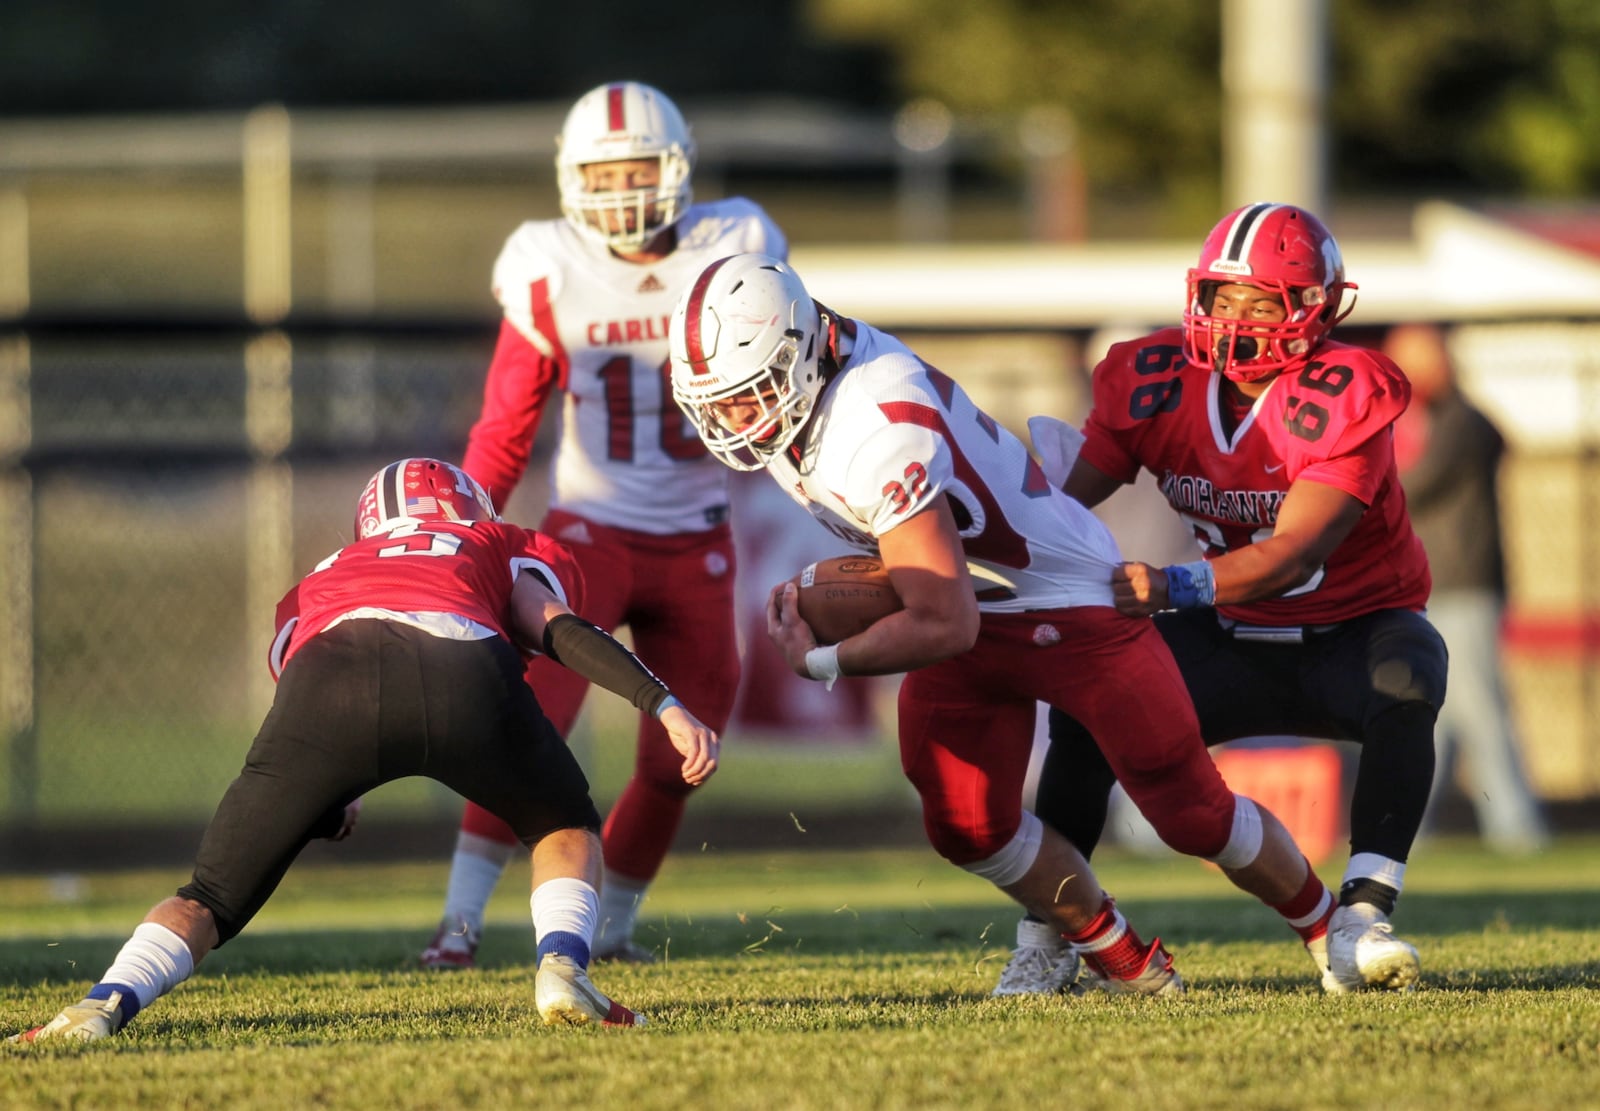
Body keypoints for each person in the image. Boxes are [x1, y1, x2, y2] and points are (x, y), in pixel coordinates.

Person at [669, 252, 1347, 997]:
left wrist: (821, 661)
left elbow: (944, 621)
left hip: (1068, 603)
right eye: (717, 403)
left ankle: (1329, 927)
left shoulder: (873, 423)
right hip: (971, 595)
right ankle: (1115, 953)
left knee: (1191, 813)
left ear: (801, 352)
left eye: (750, 394)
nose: (734, 421)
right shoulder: (814, 369)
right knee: (963, 820)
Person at [10, 458, 718, 1042]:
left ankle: (103, 1003)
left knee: (211, 895)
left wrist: (332, 796)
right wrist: (663, 703)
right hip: (461, 666)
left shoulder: (325, 573)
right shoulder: (487, 542)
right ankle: (563, 970)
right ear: (468, 507)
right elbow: (558, 627)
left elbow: (295, 690)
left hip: (327, 682)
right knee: (562, 825)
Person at [1011, 202, 1447, 996]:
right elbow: (1065, 507)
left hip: (1350, 631)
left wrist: (1172, 584)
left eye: (1262, 301)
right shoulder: (1154, 380)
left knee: (1410, 672)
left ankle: (1362, 915)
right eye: (1223, 296)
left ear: (1315, 308)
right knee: (1083, 707)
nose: (1235, 318)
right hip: (1229, 632)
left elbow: (1294, 551)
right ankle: (1049, 934)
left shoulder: (1348, 394)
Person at [421, 80, 787, 969]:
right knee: (525, 730)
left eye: (638, 172)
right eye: (605, 174)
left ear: (676, 169)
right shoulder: (551, 267)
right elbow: (505, 429)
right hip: (587, 537)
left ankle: (612, 928)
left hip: (699, 536)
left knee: (681, 754)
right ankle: (459, 927)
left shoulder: (732, 243)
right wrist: (457, 538)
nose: (623, 193)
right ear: (571, 178)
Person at [1386, 322, 1550, 854]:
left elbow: (1413, 486)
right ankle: (1409, 830)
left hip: (1462, 588)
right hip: (1437, 589)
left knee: (1481, 711)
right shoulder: (1442, 420)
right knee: (1434, 719)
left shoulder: (1461, 423)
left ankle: (1517, 829)